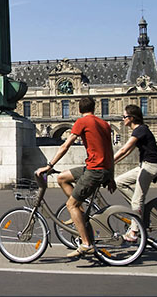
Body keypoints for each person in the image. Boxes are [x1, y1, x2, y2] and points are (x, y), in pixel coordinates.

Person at [35, 96, 114, 258]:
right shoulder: (104, 124)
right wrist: (111, 175)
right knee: (62, 178)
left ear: (79, 109)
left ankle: (86, 244)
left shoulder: (82, 122)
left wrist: (49, 166)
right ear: (95, 108)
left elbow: (66, 145)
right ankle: (81, 213)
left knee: (70, 205)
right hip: (101, 168)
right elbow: (110, 151)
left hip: (94, 170)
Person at [113, 105, 157, 241]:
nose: (123, 119)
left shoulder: (140, 130)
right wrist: (112, 164)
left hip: (150, 167)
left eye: (124, 117)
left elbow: (124, 150)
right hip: (144, 166)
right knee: (119, 182)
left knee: (136, 200)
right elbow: (127, 151)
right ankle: (139, 209)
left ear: (131, 118)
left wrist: (108, 163)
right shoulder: (140, 130)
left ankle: (134, 232)